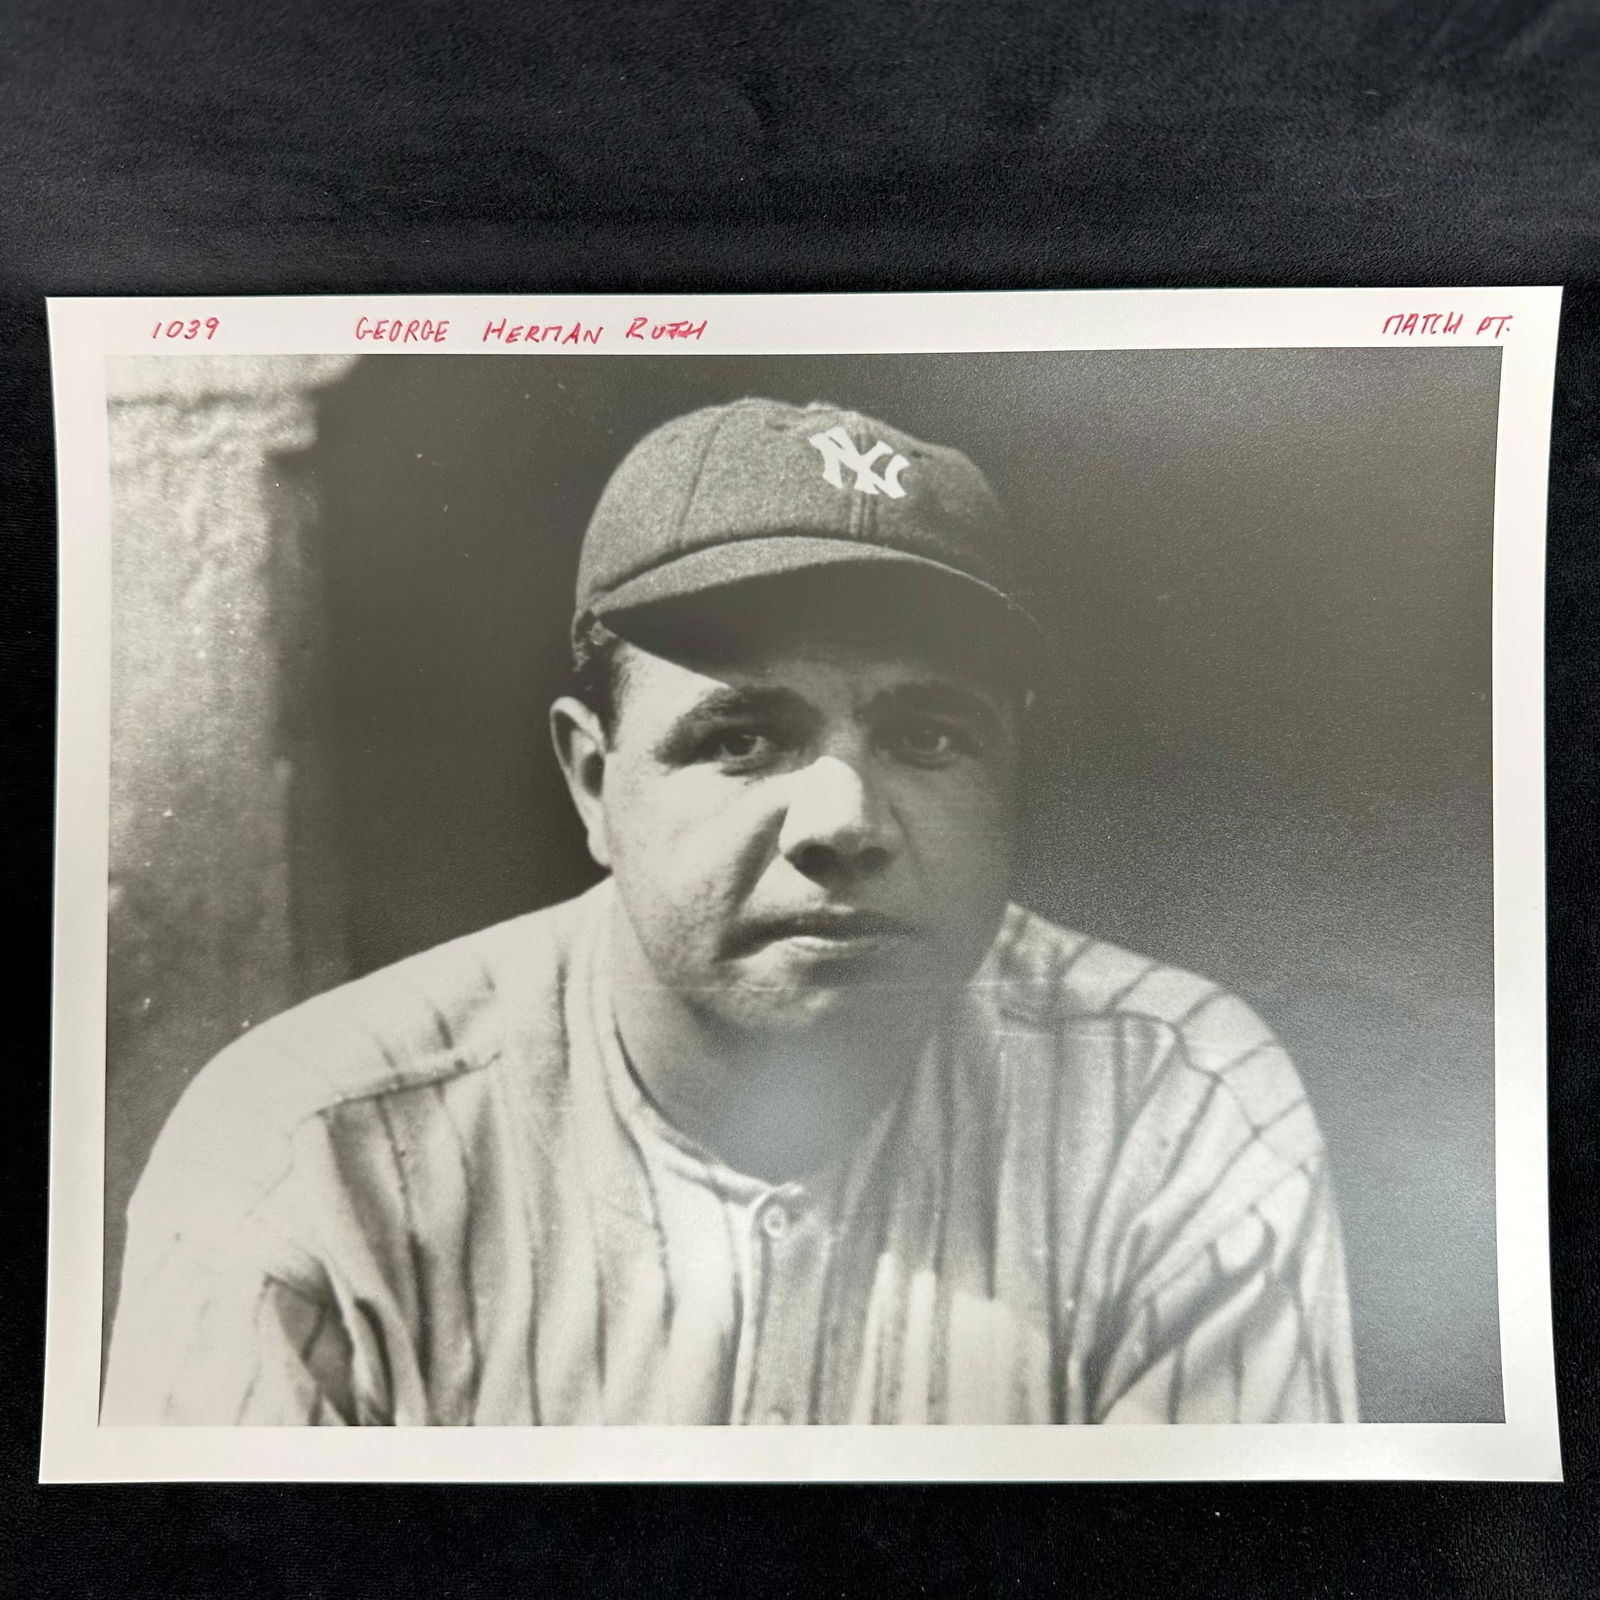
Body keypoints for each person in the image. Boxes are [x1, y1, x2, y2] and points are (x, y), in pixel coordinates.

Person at [103, 397, 1358, 1426]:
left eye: (930, 736)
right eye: (744, 737)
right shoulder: (309, 1155)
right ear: (594, 783)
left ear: (1011, 776)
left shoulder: (1175, 1105)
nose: (844, 819)